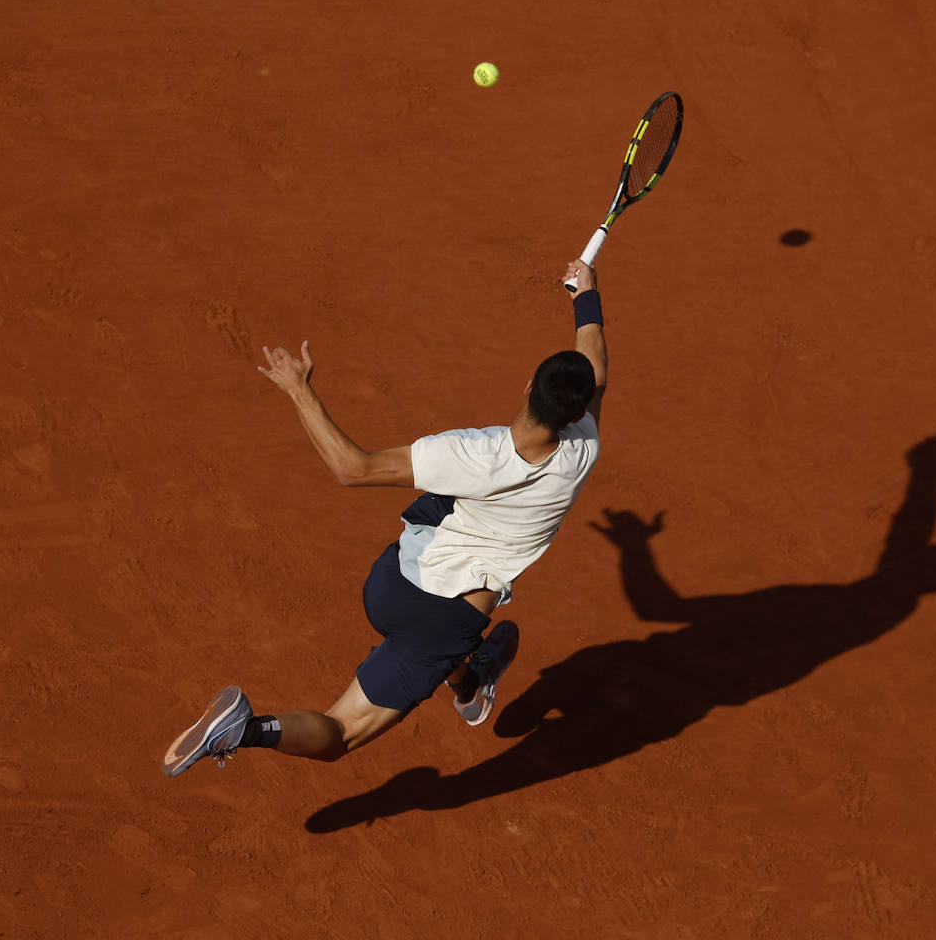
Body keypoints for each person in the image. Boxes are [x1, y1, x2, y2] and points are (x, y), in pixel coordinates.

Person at [162, 260, 608, 778]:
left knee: (446, 614)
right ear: (576, 415)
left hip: (389, 585)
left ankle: (467, 681)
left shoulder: (471, 453)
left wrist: (299, 389)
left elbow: (354, 469)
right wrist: (588, 298)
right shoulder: (584, 451)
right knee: (341, 732)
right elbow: (595, 369)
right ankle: (249, 729)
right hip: (441, 623)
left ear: (528, 385)